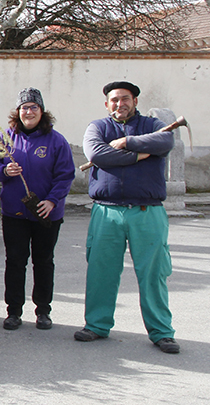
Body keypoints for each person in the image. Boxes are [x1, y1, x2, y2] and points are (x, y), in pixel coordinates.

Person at [74, 81, 180, 354]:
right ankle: (96, 325)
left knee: (153, 273)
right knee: (101, 271)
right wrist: (139, 155)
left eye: (125, 99)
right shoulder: (97, 127)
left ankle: (161, 332)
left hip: (148, 211)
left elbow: (166, 141)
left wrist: (126, 142)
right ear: (106, 104)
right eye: (114, 100)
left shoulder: (154, 125)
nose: (119, 104)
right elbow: (96, 153)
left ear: (134, 101)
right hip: (106, 211)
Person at [0, 88, 75, 331]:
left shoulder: (56, 141)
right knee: (15, 261)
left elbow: (66, 175)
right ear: (18, 112)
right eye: (24, 107)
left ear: (42, 111)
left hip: (46, 213)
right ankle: (13, 311)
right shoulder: (5, 138)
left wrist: (53, 200)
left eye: (33, 107)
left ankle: (43, 311)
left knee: (43, 261)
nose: (29, 111)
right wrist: (4, 172)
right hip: (14, 213)